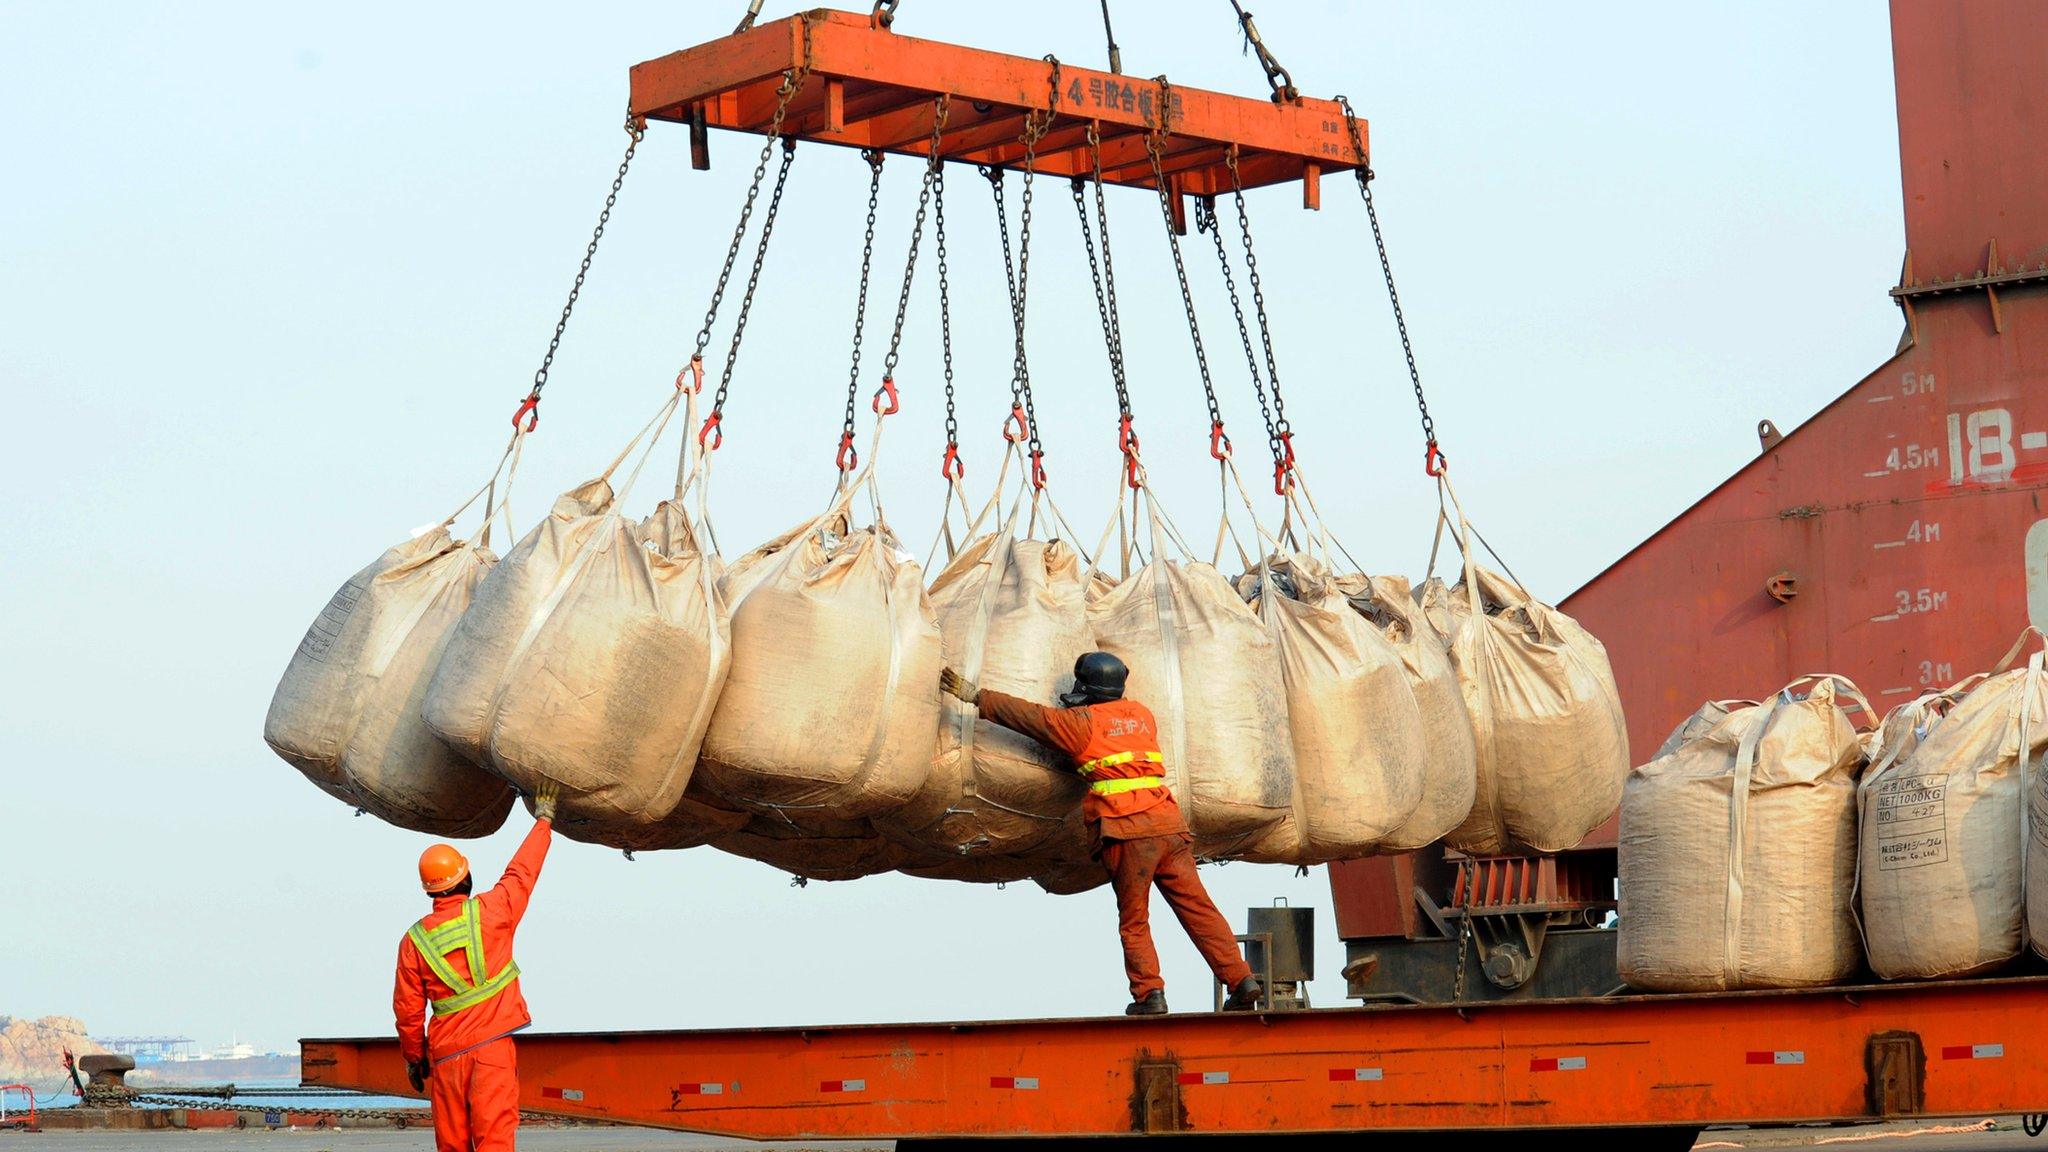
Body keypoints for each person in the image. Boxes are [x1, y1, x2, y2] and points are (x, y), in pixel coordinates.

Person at [941, 653, 1262, 1016]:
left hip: (1127, 831)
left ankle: (1149, 994)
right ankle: (1242, 981)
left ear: (1085, 687)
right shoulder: (1142, 715)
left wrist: (976, 695)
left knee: (1135, 918)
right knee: (1199, 908)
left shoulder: (1080, 725)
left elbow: (1033, 718)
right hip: (1169, 824)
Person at [393, 780, 557, 1152]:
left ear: (430, 890)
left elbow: (407, 1010)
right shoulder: (491, 912)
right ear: (465, 877)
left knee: (452, 1145)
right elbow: (522, 873)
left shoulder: (413, 941)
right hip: (492, 1051)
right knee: (494, 1140)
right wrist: (543, 820)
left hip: (447, 1058)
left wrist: (415, 1060)